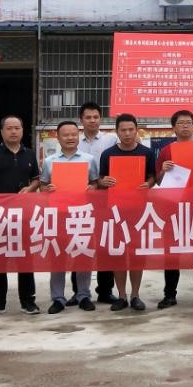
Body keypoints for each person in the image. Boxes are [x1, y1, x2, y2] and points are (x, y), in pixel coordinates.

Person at [0, 115, 42, 316]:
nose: (13, 131)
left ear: (23, 131)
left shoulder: (30, 154)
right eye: (9, 128)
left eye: (17, 128)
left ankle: (28, 301)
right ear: (2, 132)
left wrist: (30, 189)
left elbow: (37, 180)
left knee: (26, 258)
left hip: (24, 215)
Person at [156, 109, 193, 308]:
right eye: (181, 123)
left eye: (188, 123)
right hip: (173, 207)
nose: (185, 126)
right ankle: (169, 294)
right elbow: (157, 180)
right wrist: (163, 170)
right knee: (172, 251)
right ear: (173, 127)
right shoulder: (167, 150)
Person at [97, 113, 156, 311]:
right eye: (123, 130)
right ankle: (121, 295)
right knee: (118, 253)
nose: (128, 133)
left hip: (139, 211)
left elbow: (152, 178)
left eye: (131, 129)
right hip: (115, 211)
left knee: (137, 253)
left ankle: (135, 295)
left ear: (136, 130)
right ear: (117, 131)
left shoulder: (146, 153)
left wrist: (147, 184)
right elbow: (100, 180)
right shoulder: (108, 154)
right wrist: (103, 182)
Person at [40, 120, 99, 314]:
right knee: (58, 256)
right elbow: (42, 187)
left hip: (81, 214)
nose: (70, 138)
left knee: (83, 255)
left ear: (78, 135)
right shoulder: (50, 161)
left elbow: (95, 183)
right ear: (58, 138)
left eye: (74, 134)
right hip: (59, 214)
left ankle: (83, 295)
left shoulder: (89, 159)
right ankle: (58, 298)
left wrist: (92, 188)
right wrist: (47, 189)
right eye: (66, 135)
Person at [78, 101, 119, 304]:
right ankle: (79, 292)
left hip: (106, 199)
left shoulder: (111, 139)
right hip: (80, 200)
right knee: (80, 242)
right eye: (88, 117)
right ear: (81, 120)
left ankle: (105, 290)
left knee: (105, 243)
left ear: (100, 119)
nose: (92, 121)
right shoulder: (73, 141)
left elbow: (130, 146)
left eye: (95, 117)